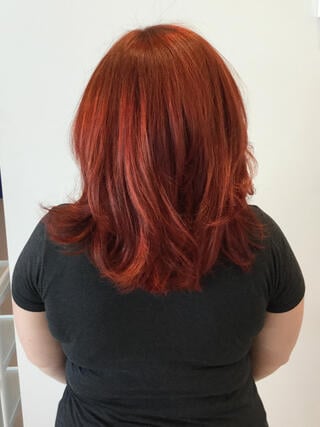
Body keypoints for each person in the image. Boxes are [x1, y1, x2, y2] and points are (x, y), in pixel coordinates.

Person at [11, 23, 305, 427]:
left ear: (97, 133)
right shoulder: (260, 241)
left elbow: (46, 361)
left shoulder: (54, 242)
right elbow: (272, 357)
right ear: (222, 127)